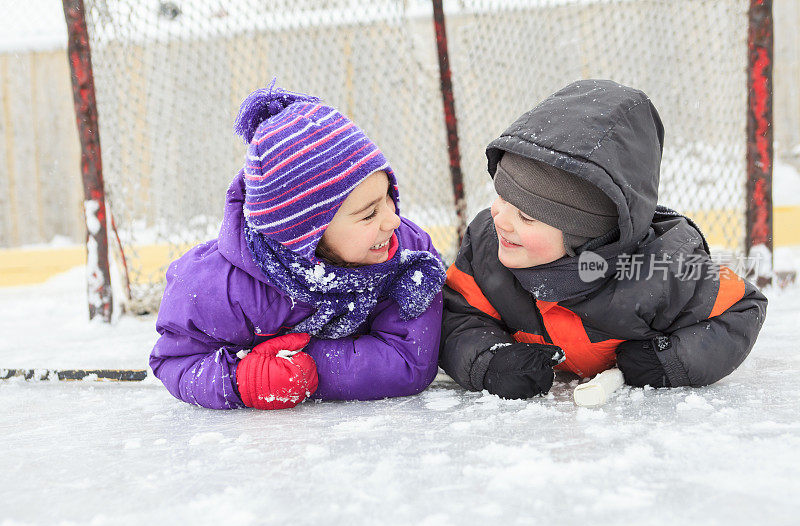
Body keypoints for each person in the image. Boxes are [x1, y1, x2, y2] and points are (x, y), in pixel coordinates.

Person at [439, 79, 767, 399]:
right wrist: (490, 360)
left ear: (584, 237)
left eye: (527, 217)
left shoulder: (661, 269)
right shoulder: (486, 248)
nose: (500, 218)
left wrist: (669, 360)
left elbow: (742, 307)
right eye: (502, 197)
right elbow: (457, 315)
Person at [149, 83, 446, 410]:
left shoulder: (408, 255)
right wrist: (244, 380)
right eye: (369, 213)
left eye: (388, 196)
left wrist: (303, 364)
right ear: (304, 234)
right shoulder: (222, 287)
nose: (392, 220)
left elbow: (408, 362)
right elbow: (176, 360)